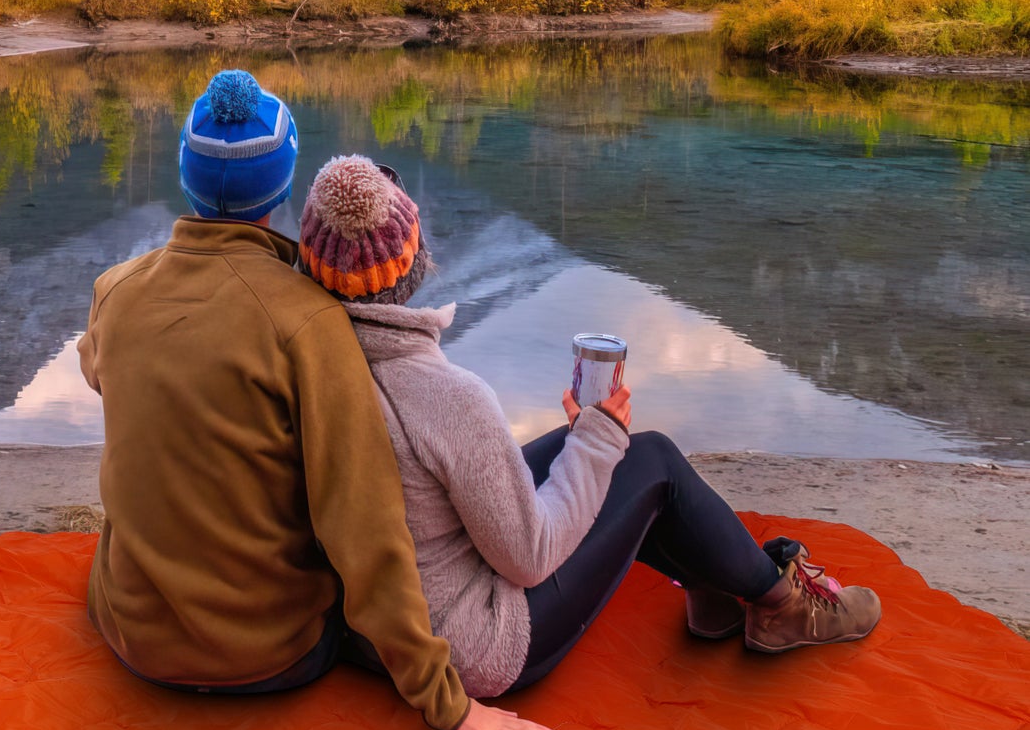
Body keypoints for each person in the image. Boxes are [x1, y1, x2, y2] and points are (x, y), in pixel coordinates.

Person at [77, 70, 560, 730]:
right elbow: (363, 525)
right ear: (281, 190)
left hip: (129, 632)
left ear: (183, 172)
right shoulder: (306, 322)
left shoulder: (115, 292)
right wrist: (445, 702)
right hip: (267, 656)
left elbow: (96, 370)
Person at [296, 154, 883, 702]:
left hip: (368, 619)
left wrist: (585, 447)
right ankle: (780, 606)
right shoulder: (445, 396)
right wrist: (597, 440)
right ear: (412, 258)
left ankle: (716, 588)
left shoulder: (301, 353)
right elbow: (529, 558)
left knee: (588, 454)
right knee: (645, 460)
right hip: (462, 644)